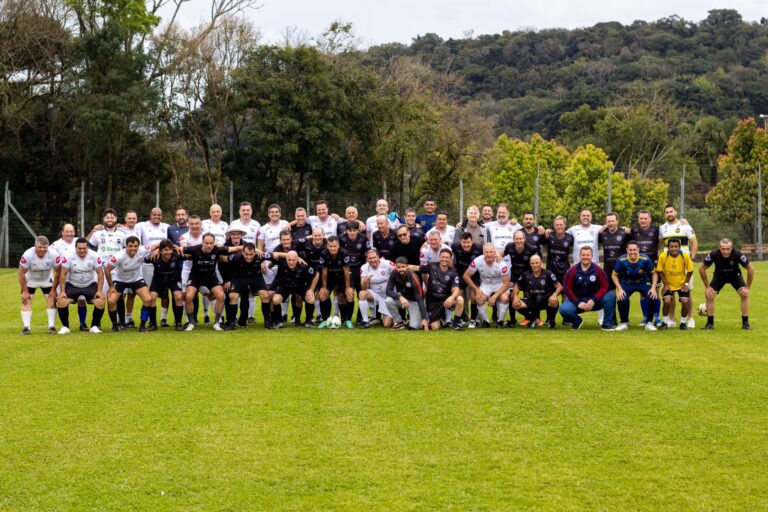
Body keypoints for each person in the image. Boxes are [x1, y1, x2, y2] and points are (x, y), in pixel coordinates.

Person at [181, 233, 241, 331]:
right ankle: (191, 323)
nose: (209, 245)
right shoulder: (195, 248)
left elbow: (236, 248)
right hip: (195, 277)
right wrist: (158, 250)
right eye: (206, 243)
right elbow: (179, 249)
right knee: (188, 297)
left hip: (210, 277)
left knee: (221, 296)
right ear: (202, 242)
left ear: (214, 243)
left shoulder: (217, 249)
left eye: (211, 243)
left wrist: (254, 249)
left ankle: (217, 323)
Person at [104, 236, 158, 332]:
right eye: (130, 246)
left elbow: (160, 244)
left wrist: (158, 250)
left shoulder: (142, 250)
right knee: (112, 301)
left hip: (136, 279)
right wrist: (111, 286)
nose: (133, 248)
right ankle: (115, 325)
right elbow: (107, 269)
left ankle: (142, 325)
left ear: (139, 246)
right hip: (120, 280)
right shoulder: (119, 256)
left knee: (148, 299)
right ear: (126, 246)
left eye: (135, 246)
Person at [699, 238, 754, 330]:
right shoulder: (714, 254)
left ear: (731, 248)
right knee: (709, 295)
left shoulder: (737, 254)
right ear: (719, 248)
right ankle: (709, 324)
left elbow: (751, 269)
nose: (725, 251)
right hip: (719, 275)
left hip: (735, 276)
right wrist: (707, 287)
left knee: (744, 295)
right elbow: (701, 269)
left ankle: (745, 324)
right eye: (723, 249)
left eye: (728, 249)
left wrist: (747, 288)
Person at [56, 238, 106, 334]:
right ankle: (65, 327)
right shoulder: (68, 256)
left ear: (87, 247)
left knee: (100, 302)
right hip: (72, 284)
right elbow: (63, 274)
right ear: (75, 248)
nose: (82, 250)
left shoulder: (95, 256)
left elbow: (100, 274)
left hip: (89, 284)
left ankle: (94, 326)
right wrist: (62, 291)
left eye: (84, 248)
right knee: (61, 301)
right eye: (80, 248)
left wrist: (99, 290)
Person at [559, 246, 616, 330]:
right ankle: (577, 322)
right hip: (578, 302)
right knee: (564, 309)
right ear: (579, 256)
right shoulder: (572, 271)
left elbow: (605, 286)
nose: (585, 257)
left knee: (611, 296)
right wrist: (577, 303)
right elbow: (567, 289)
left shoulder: (598, 270)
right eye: (583, 255)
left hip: (594, 302)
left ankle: (606, 324)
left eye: (588, 255)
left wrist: (594, 299)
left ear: (592, 256)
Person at [87, 208, 127, 327]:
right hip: (102, 270)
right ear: (104, 219)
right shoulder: (97, 233)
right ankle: (97, 323)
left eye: (112, 217)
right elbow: (87, 246)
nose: (110, 219)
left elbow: (127, 249)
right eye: (107, 217)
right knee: (100, 297)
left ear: (116, 219)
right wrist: (92, 230)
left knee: (119, 297)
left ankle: (121, 322)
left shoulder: (123, 233)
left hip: (118, 270)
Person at [659, 204, 697, 328]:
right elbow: (660, 244)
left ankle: (690, 318)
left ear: (675, 212)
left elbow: (694, 242)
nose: (669, 214)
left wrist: (692, 258)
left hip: (684, 264)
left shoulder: (685, 225)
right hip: (668, 265)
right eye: (667, 212)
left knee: (687, 291)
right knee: (670, 292)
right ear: (664, 214)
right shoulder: (662, 228)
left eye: (671, 211)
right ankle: (671, 319)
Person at [222, 242, 272, 329]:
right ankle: (231, 323)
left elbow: (277, 255)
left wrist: (295, 257)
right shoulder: (235, 257)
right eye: (246, 254)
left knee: (265, 295)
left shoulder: (261, 255)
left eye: (251, 254)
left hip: (255, 277)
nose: (249, 257)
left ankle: (267, 322)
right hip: (239, 278)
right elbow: (222, 258)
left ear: (255, 252)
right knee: (232, 296)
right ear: (242, 252)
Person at [611, 240, 659, 331]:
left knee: (653, 297)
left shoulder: (645, 259)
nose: (632, 252)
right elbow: (614, 275)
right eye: (630, 250)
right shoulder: (621, 260)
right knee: (621, 298)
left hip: (643, 282)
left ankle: (649, 323)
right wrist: (619, 288)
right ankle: (624, 322)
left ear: (638, 250)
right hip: (627, 283)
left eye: (634, 249)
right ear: (626, 250)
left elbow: (654, 273)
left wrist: (653, 288)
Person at [18, 236, 61, 334]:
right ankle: (26, 328)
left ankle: (52, 327)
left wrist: (54, 290)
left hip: (47, 279)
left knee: (52, 300)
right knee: (26, 301)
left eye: (44, 247)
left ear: (48, 247)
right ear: (35, 246)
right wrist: (25, 291)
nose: (42, 249)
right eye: (39, 247)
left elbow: (58, 272)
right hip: (31, 279)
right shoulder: (28, 254)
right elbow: (21, 273)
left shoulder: (54, 254)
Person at [463, 243, 511, 328]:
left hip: (500, 284)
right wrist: (476, 289)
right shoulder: (477, 260)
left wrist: (494, 297)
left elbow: (506, 284)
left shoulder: (501, 263)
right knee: (478, 299)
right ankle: (486, 321)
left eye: (491, 252)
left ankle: (500, 321)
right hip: (486, 284)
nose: (489, 254)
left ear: (494, 252)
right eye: (486, 252)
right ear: (483, 252)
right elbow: (466, 276)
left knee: (505, 298)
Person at [269, 251, 320, 329]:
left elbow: (316, 274)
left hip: (300, 286)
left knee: (311, 299)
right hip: (286, 286)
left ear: (297, 259)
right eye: (289, 260)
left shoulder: (303, 266)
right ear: (286, 259)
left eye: (293, 260)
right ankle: (278, 321)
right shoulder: (282, 264)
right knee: (275, 300)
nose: (291, 262)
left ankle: (308, 321)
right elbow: (273, 255)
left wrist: (311, 289)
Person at [511, 254, 562, 329]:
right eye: (532, 263)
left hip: (546, 300)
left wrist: (555, 295)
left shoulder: (548, 274)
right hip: (532, 300)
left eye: (537, 263)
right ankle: (532, 319)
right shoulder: (526, 274)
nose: (535, 265)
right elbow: (516, 286)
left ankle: (551, 321)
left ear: (541, 262)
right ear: (530, 264)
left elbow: (559, 286)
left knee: (554, 301)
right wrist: (515, 297)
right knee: (515, 304)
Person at [630, 210, 662, 326]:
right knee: (643, 293)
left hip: (653, 265)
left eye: (645, 218)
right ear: (638, 220)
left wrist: (683, 223)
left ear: (650, 219)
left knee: (656, 292)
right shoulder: (634, 231)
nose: (643, 220)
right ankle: (645, 318)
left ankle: (657, 318)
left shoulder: (657, 230)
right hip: (640, 266)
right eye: (641, 218)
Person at [655, 239, 694, 330]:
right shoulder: (663, 256)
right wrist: (665, 284)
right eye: (672, 247)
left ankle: (683, 323)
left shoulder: (684, 255)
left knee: (685, 302)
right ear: (668, 248)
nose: (674, 249)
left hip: (681, 284)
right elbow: (659, 271)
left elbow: (690, 270)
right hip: (668, 284)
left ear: (679, 247)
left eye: (676, 246)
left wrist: (686, 283)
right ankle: (664, 322)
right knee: (667, 301)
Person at [421, 248, 464, 330]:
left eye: (447, 257)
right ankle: (441, 319)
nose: (444, 259)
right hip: (432, 302)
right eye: (442, 257)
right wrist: (404, 267)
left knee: (460, 299)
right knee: (435, 327)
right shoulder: (431, 266)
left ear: (450, 259)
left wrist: (451, 298)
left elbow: (456, 289)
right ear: (439, 257)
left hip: (445, 301)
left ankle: (455, 324)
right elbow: (417, 268)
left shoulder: (453, 273)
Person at [147, 239, 185, 330]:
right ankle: (153, 324)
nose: (168, 252)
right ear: (160, 250)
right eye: (165, 250)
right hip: (158, 280)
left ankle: (178, 324)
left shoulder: (177, 256)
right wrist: (153, 251)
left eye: (170, 250)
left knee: (178, 297)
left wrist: (176, 247)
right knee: (151, 298)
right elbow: (140, 258)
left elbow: (191, 254)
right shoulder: (154, 257)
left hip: (173, 279)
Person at [317, 236, 354, 329]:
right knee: (322, 295)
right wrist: (324, 287)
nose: (332, 248)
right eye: (330, 246)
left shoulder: (344, 253)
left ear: (338, 246)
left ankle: (347, 320)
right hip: (330, 277)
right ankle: (325, 320)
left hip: (343, 277)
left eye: (334, 246)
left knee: (348, 295)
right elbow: (324, 271)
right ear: (327, 246)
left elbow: (346, 272)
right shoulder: (324, 253)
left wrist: (348, 287)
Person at [504, 230, 538, 326]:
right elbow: (500, 255)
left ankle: (531, 318)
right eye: (517, 238)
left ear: (524, 239)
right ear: (514, 239)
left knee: (528, 296)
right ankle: (512, 320)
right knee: (511, 296)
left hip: (527, 276)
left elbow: (537, 262)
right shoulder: (509, 246)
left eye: (520, 238)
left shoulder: (531, 249)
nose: (519, 240)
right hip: (514, 275)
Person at [385, 257, 429, 330]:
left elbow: (420, 298)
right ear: (395, 267)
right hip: (403, 299)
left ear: (407, 266)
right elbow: (388, 291)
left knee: (415, 326)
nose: (401, 269)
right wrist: (400, 297)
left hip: (414, 301)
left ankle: (424, 318)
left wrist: (424, 318)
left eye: (403, 267)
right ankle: (399, 323)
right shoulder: (394, 273)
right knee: (388, 301)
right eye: (398, 267)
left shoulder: (413, 276)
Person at [359, 249, 396, 328]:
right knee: (362, 293)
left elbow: (399, 274)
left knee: (387, 325)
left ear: (378, 257)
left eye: (374, 257)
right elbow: (363, 288)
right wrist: (365, 281)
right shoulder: (364, 267)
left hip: (388, 296)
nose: (372, 260)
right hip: (375, 296)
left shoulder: (387, 264)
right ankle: (365, 321)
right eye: (370, 258)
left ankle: (385, 318)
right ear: (367, 259)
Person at [452, 232, 483, 326]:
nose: (466, 245)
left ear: (472, 242)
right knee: (459, 296)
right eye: (464, 242)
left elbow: (487, 253)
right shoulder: (455, 246)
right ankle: (460, 319)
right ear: (460, 242)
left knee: (474, 297)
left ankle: (473, 320)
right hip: (460, 274)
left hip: (473, 275)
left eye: (468, 242)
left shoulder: (478, 248)